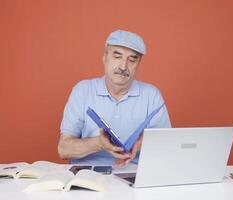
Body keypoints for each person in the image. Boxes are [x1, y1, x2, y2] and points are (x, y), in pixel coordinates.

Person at [58, 30, 171, 167]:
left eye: (132, 60)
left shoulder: (152, 95)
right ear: (105, 57)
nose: (123, 66)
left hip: (134, 175)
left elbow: (167, 146)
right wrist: (99, 143)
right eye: (117, 56)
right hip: (88, 174)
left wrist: (143, 143)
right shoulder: (82, 91)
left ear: (138, 64)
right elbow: (63, 149)